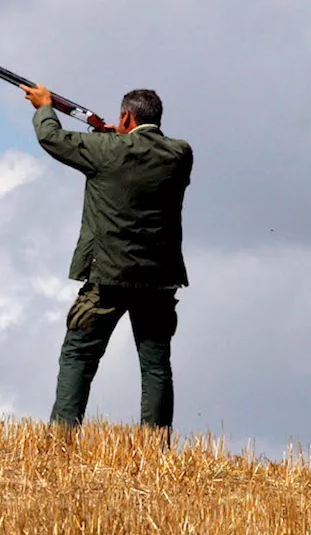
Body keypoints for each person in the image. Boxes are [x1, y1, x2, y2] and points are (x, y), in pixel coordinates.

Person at [18, 82, 192, 433]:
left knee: (78, 356)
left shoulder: (105, 150)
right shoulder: (180, 154)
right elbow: (138, 152)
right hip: (158, 277)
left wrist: (43, 107)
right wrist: (118, 137)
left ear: (125, 116)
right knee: (156, 365)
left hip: (106, 276)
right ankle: (155, 448)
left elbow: (52, 139)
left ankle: (62, 439)